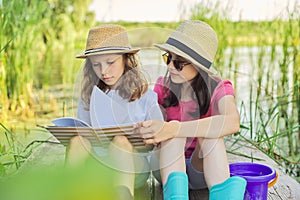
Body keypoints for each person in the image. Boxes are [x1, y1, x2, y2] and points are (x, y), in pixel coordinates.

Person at [134, 20, 247, 200]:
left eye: (178, 63)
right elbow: (154, 126)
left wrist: (176, 128)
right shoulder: (163, 87)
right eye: (168, 58)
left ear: (198, 66)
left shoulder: (219, 88)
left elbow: (232, 122)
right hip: (166, 169)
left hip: (202, 169)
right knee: (173, 136)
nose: (170, 66)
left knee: (210, 135)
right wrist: (150, 128)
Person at [65, 24, 163, 200]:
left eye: (110, 62)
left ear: (126, 59)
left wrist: (144, 134)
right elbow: (86, 133)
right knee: (78, 141)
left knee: (120, 142)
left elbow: (156, 142)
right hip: (98, 167)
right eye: (96, 65)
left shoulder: (146, 96)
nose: (103, 71)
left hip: (133, 167)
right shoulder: (88, 96)